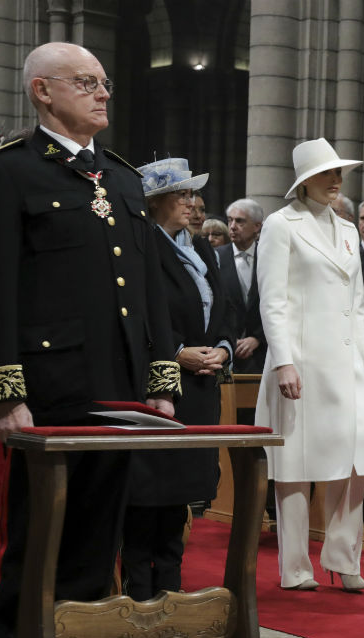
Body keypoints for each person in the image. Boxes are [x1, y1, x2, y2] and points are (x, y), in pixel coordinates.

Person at [0, 41, 180, 638]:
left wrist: (159, 380)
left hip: (115, 385)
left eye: (104, 82)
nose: (103, 92)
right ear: (43, 91)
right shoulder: (10, 171)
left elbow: (145, 288)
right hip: (47, 386)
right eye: (86, 82)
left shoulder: (122, 176)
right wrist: (5, 393)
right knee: (35, 537)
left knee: (96, 537)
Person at [255, 137, 364, 592]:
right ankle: (294, 566)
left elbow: (359, 306)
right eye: (329, 173)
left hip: (347, 361)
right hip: (302, 361)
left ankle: (344, 558)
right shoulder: (280, 225)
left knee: (358, 461)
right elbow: (272, 303)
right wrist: (283, 363)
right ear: (307, 179)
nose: (338, 180)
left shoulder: (349, 231)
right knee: (294, 468)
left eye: (339, 172)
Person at [121, 158, 233, 601]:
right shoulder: (141, 244)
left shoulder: (201, 247)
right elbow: (139, 316)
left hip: (201, 384)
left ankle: (170, 578)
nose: (193, 204)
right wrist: (174, 352)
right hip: (158, 385)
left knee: (182, 489)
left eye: (192, 195)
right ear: (156, 202)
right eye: (182, 195)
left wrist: (222, 347)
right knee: (149, 487)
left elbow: (223, 308)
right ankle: (139, 582)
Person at [217, 198, 267, 373]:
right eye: (230, 220)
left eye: (239, 221)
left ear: (257, 226)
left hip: (263, 354)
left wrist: (258, 338)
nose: (232, 226)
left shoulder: (270, 257)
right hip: (225, 353)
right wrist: (229, 340)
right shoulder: (215, 258)